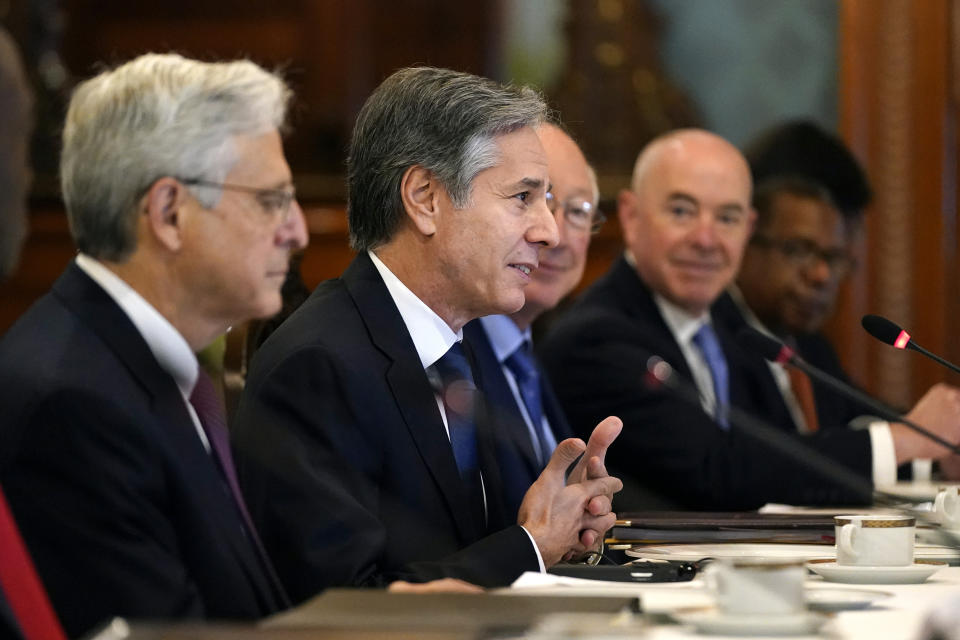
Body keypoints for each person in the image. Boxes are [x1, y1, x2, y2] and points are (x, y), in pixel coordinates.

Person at [232, 67, 623, 604]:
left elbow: (471, 547)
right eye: (523, 198)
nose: (549, 231)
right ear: (424, 198)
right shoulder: (317, 366)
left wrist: (564, 528)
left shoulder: (459, 347)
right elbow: (344, 605)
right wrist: (530, 548)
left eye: (550, 200)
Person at [0, 53, 309, 637]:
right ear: (169, 213)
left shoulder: (134, 364)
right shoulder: (72, 405)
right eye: (271, 200)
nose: (295, 229)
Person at [540, 129, 960, 510]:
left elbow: (790, 450)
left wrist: (937, 451)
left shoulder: (732, 327)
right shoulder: (596, 336)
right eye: (683, 211)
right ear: (631, 217)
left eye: (727, 218)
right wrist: (906, 441)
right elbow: (718, 468)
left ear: (747, 228)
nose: (706, 240)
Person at [463, 121, 604, 517]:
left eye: (577, 211)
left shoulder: (528, 353)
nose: (554, 234)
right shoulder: (445, 352)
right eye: (526, 198)